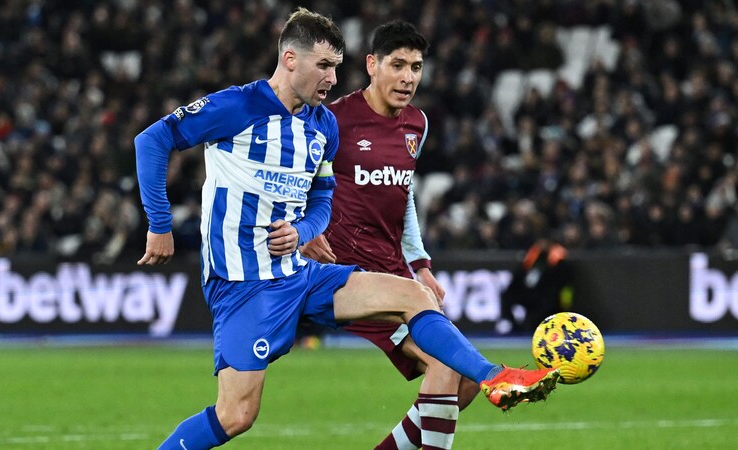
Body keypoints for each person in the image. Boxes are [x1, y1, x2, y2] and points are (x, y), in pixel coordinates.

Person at [135, 8, 559, 450]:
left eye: (336, 67)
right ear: (290, 59)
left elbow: (322, 199)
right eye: (324, 66)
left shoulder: (323, 126)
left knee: (415, 296)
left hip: (300, 275)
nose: (333, 79)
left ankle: (497, 376)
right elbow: (152, 140)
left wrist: (303, 233)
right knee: (236, 415)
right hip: (245, 284)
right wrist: (159, 224)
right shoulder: (238, 106)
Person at [299, 21, 475, 450]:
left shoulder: (417, 124)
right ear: (372, 65)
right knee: (445, 365)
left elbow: (404, 194)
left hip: (396, 269)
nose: (408, 77)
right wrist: (303, 230)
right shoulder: (332, 120)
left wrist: (420, 265)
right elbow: (292, 181)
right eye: (397, 65)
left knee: (465, 382)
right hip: (348, 271)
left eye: (416, 67)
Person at [497, 238, 574, 335]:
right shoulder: (533, 256)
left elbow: (557, 285)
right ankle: (515, 327)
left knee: (543, 306)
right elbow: (520, 276)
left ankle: (529, 327)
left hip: (546, 296)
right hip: (529, 293)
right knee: (507, 297)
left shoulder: (559, 261)